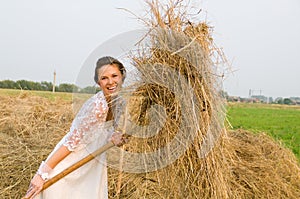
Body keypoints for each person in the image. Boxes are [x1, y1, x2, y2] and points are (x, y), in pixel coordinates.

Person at [25, 56, 128, 199]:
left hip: (92, 165)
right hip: (70, 164)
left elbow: (105, 132)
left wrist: (115, 138)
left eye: (114, 76)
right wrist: (42, 174)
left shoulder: (120, 102)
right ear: (98, 82)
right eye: (104, 78)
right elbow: (71, 143)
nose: (110, 82)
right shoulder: (97, 107)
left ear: (122, 76)